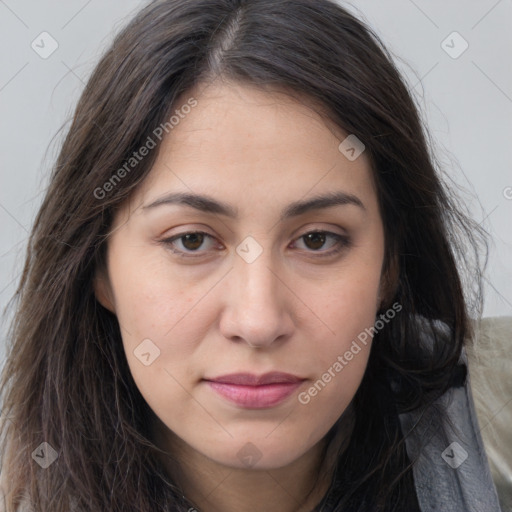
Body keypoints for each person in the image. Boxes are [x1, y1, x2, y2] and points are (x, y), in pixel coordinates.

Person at [0, 0, 504, 510]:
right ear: (99, 267)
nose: (259, 321)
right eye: (191, 240)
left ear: (389, 265)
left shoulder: (493, 433)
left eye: (317, 239)